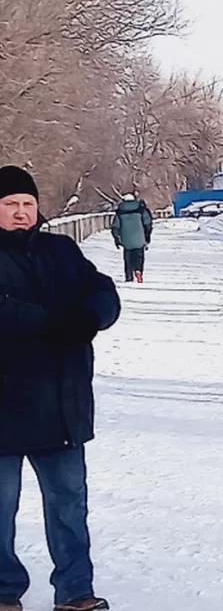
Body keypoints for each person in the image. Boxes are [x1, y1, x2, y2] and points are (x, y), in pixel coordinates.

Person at [0, 166, 120, 611]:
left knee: (69, 505)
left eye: (27, 204)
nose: (20, 213)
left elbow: (103, 292)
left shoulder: (61, 250)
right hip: (5, 404)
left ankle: (75, 592)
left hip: (61, 405)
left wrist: (90, 317)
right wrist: (57, 321)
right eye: (10, 204)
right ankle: (3, 591)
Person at [110, 192, 152, 283]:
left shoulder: (120, 211)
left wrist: (117, 239)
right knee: (139, 256)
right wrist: (147, 236)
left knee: (128, 258)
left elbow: (115, 227)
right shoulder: (140, 209)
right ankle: (138, 270)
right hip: (140, 238)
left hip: (126, 239)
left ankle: (129, 276)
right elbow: (147, 223)